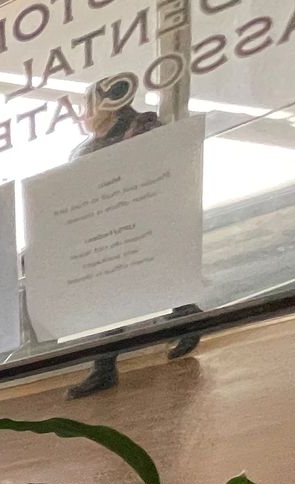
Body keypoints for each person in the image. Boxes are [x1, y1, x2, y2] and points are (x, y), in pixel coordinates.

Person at [65, 73, 200, 399]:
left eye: (88, 107)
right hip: (107, 230)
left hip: (141, 225)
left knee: (121, 290)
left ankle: (107, 366)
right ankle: (185, 318)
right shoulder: (88, 148)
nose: (83, 115)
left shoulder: (144, 130)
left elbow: (162, 174)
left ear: (107, 106)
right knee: (114, 294)